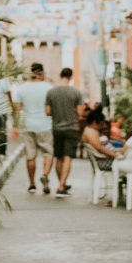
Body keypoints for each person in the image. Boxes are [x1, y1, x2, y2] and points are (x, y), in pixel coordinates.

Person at [12, 62, 54, 194]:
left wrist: (15, 126)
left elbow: (17, 109)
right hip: (45, 125)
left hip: (28, 125)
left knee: (30, 156)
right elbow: (51, 108)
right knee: (48, 153)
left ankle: (31, 184)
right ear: (41, 73)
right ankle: (45, 175)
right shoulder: (49, 88)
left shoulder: (22, 89)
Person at [45, 67, 85, 197]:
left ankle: (62, 183)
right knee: (68, 157)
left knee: (59, 157)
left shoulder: (51, 92)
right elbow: (80, 113)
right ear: (71, 77)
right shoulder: (76, 92)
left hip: (57, 128)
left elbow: (47, 111)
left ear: (60, 75)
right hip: (72, 128)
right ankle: (61, 186)